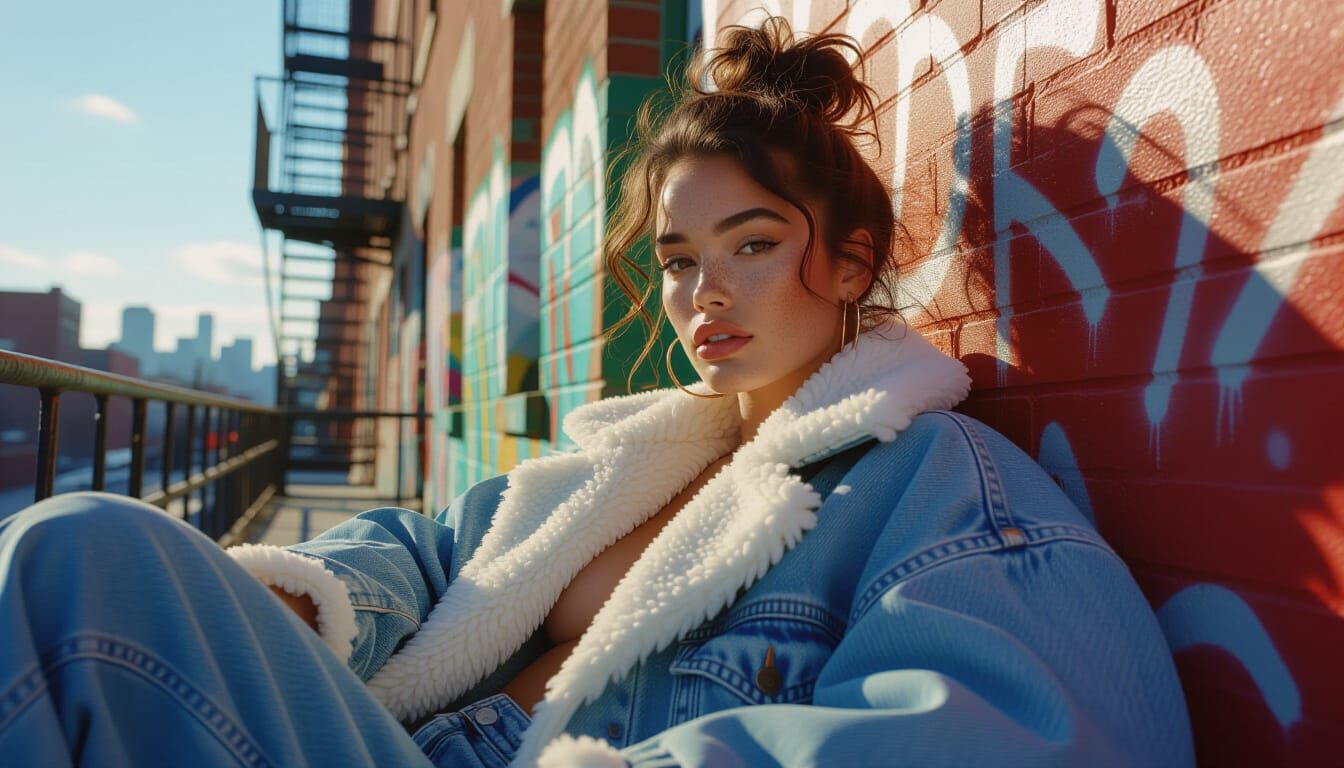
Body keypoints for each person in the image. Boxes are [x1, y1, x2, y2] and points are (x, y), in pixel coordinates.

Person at [0, 17, 1194, 768]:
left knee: (76, 559)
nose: (702, 296)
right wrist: (322, 601)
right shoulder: (627, 458)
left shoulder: (934, 484)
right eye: (679, 261)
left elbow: (1044, 730)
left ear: (848, 260)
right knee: (80, 555)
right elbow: (431, 552)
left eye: (754, 244)